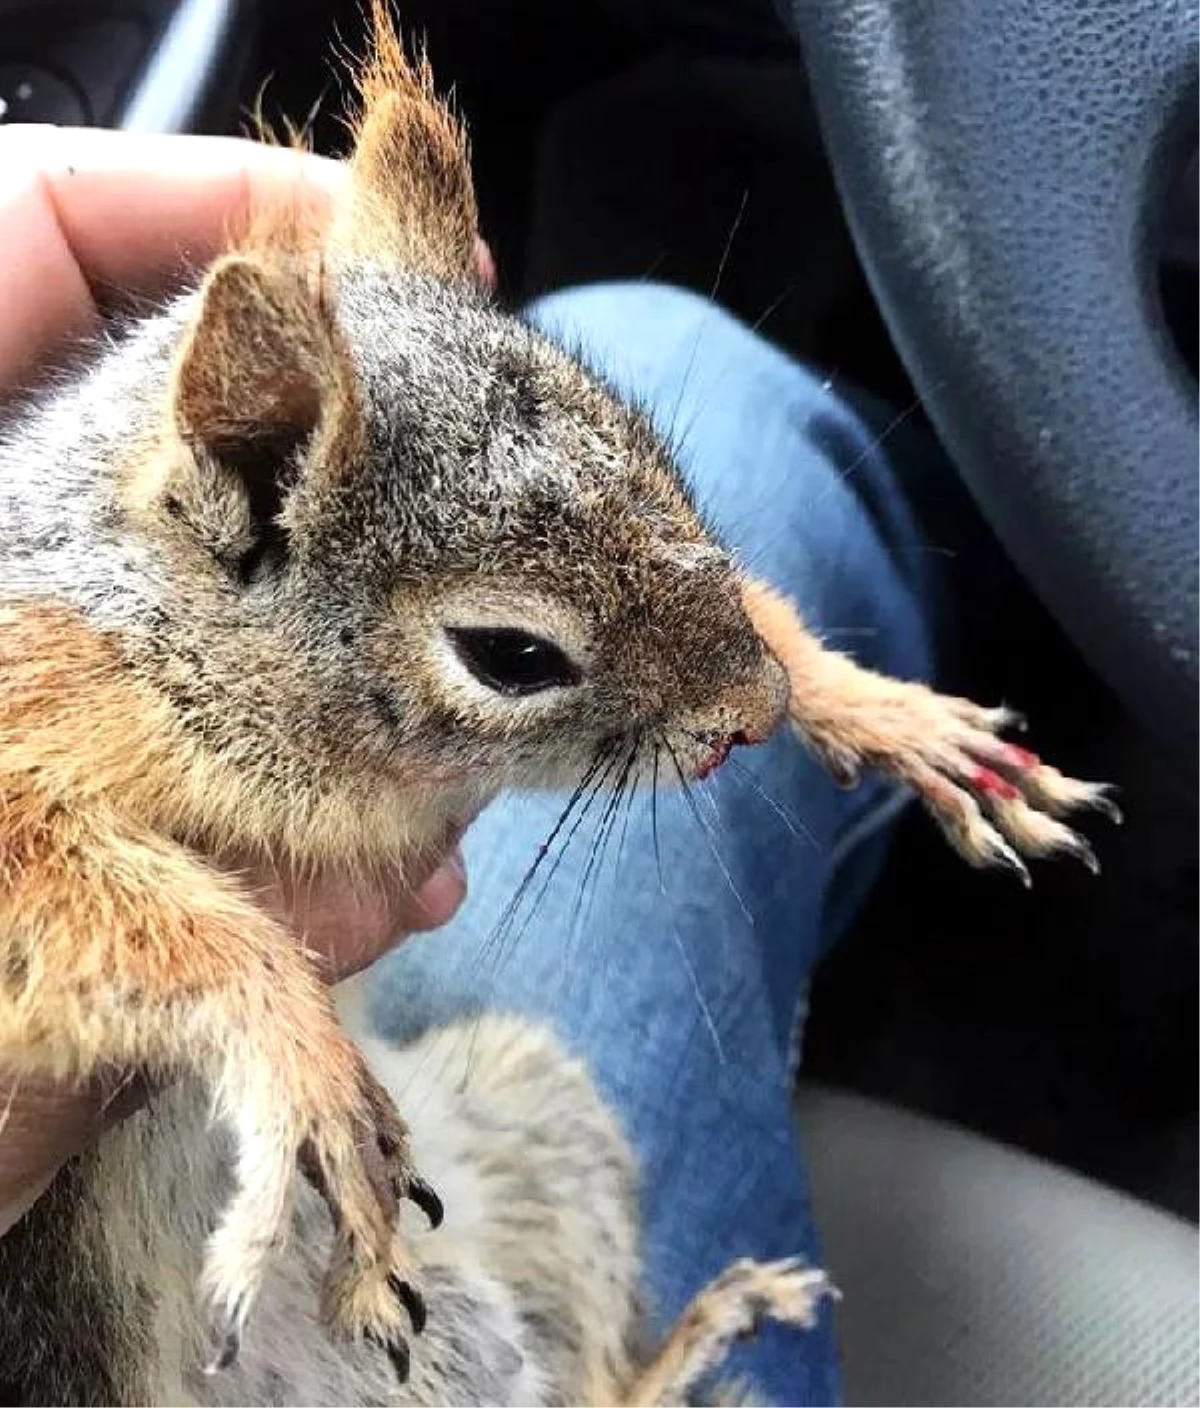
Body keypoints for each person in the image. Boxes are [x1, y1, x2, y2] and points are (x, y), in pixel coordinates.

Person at [0, 125, 935, 1406]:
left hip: (386, 1222)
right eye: (507, 649)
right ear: (258, 490)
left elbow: (661, 598)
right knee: (682, 352)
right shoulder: (85, 664)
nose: (746, 715)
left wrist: (812, 681)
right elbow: (30, 877)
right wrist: (255, 997)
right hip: (147, 1347)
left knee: (668, 351)